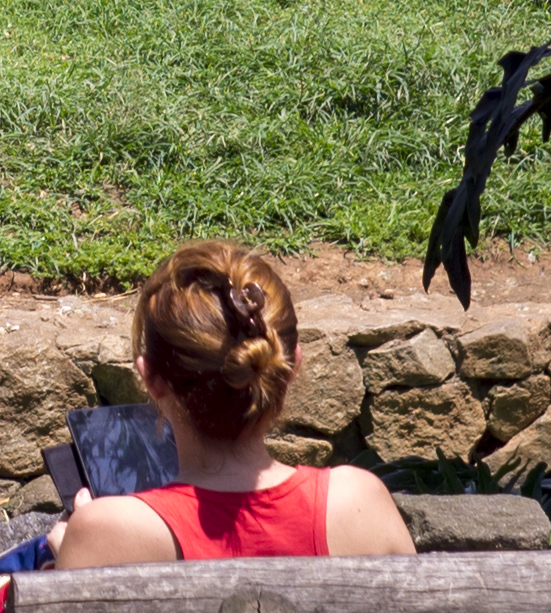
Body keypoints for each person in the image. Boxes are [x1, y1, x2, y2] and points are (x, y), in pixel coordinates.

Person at [49, 241, 415, 569]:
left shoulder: (108, 533)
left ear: (151, 378)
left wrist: (69, 556)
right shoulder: (360, 505)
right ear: (291, 365)